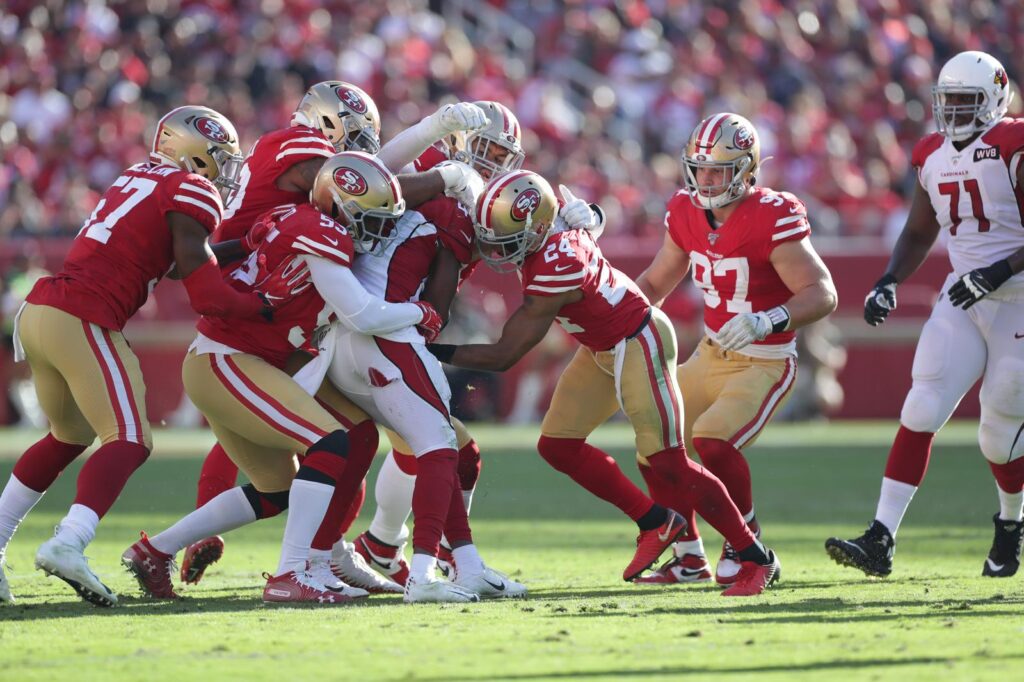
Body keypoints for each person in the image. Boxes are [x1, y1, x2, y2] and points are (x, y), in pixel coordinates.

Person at [180, 83, 489, 590]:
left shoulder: (297, 165)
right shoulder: (297, 147)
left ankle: (331, 553)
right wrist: (443, 176)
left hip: (276, 281)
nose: (364, 149)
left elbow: (368, 175)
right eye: (358, 135)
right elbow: (361, 187)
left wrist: (434, 128)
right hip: (271, 292)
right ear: (327, 123)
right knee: (308, 430)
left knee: (322, 431)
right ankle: (316, 560)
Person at [426, 170, 781, 596]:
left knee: (669, 461)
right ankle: (655, 522)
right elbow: (581, 219)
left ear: (538, 229)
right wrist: (593, 216)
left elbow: (504, 355)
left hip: (638, 341)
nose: (497, 249)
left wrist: (429, 350)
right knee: (557, 445)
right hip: (600, 345)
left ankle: (755, 556)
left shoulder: (554, 267)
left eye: (507, 239)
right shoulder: (551, 227)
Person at [120, 151, 444, 605]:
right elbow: (362, 313)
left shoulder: (294, 219)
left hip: (241, 359)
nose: (378, 229)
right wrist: (421, 312)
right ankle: (292, 572)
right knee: (330, 442)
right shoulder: (321, 232)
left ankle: (155, 551)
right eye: (370, 216)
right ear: (336, 204)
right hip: (228, 358)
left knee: (278, 489)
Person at [0, 106, 292, 606]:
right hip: (83, 315)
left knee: (69, 436)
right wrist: (266, 305)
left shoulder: (137, 175)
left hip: (41, 312)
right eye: (219, 158)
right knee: (131, 439)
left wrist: (241, 246)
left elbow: (177, 261)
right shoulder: (191, 189)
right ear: (192, 152)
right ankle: (69, 542)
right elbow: (207, 295)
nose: (224, 171)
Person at [827, 51, 1024, 579]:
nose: (954, 110)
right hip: (965, 295)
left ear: (995, 100)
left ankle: (1010, 523)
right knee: (922, 404)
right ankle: (881, 537)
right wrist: (888, 280)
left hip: (1019, 297)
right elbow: (918, 231)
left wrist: (1001, 270)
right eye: (948, 100)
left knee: (999, 428)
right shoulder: (931, 153)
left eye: (966, 100)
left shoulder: (1014, 143)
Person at [631, 112, 837, 585]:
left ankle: (748, 540)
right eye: (699, 168)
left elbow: (822, 293)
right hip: (711, 352)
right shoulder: (684, 210)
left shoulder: (772, 214)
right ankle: (688, 557)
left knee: (712, 439)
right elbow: (656, 282)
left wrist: (768, 319)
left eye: (718, 171)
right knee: (653, 441)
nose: (706, 180)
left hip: (765, 360)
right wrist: (614, 317)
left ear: (746, 170)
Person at [319, 154, 527, 603]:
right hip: (385, 333)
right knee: (439, 447)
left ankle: (464, 563)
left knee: (441, 447)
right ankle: (422, 573)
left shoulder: (402, 195)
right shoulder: (453, 217)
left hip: (338, 341)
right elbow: (437, 308)